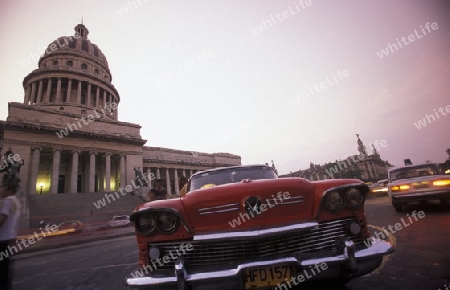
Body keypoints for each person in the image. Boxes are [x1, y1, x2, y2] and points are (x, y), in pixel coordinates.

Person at [0, 176, 21, 290]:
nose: (0, 190)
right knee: (5, 271)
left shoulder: (7, 202)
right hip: (9, 239)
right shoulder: (16, 202)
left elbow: (2, 220)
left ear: (8, 190)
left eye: (2, 188)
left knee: (2, 271)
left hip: (2, 240)